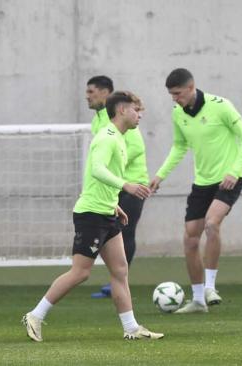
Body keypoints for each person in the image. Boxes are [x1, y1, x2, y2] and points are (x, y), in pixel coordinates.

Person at [22, 91, 163, 341]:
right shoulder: (107, 137)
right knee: (81, 272)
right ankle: (35, 315)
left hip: (107, 212)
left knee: (120, 270)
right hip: (91, 215)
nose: (139, 115)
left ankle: (131, 328)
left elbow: (98, 177)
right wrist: (126, 186)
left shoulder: (120, 138)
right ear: (121, 110)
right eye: (136, 110)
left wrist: (114, 205)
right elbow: (96, 169)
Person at [149, 68, 242, 313]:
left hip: (228, 180)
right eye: (171, 95)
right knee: (189, 239)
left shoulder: (221, 106)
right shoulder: (178, 112)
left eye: (177, 93)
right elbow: (179, 146)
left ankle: (210, 286)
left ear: (191, 87)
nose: (174, 99)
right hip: (202, 183)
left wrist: (235, 170)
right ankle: (198, 300)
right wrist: (160, 175)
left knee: (212, 224)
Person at [86, 76, 149, 299]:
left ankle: (120, 282)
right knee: (111, 234)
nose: (87, 96)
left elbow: (134, 148)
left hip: (133, 183)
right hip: (114, 185)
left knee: (125, 232)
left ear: (106, 94)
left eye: (92, 91)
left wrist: (125, 182)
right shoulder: (99, 121)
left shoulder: (123, 119)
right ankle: (116, 280)